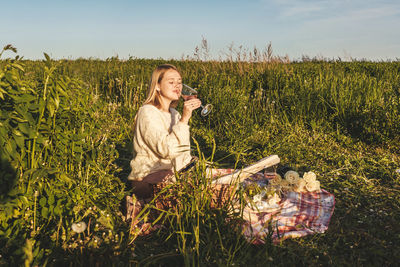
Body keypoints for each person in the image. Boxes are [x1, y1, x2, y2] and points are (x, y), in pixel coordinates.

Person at [127, 64, 202, 199]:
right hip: (149, 178)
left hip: (174, 175)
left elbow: (182, 151)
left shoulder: (175, 113)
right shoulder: (147, 112)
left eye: (179, 82)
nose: (177, 86)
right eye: (171, 82)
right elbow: (166, 150)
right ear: (157, 86)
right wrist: (184, 119)